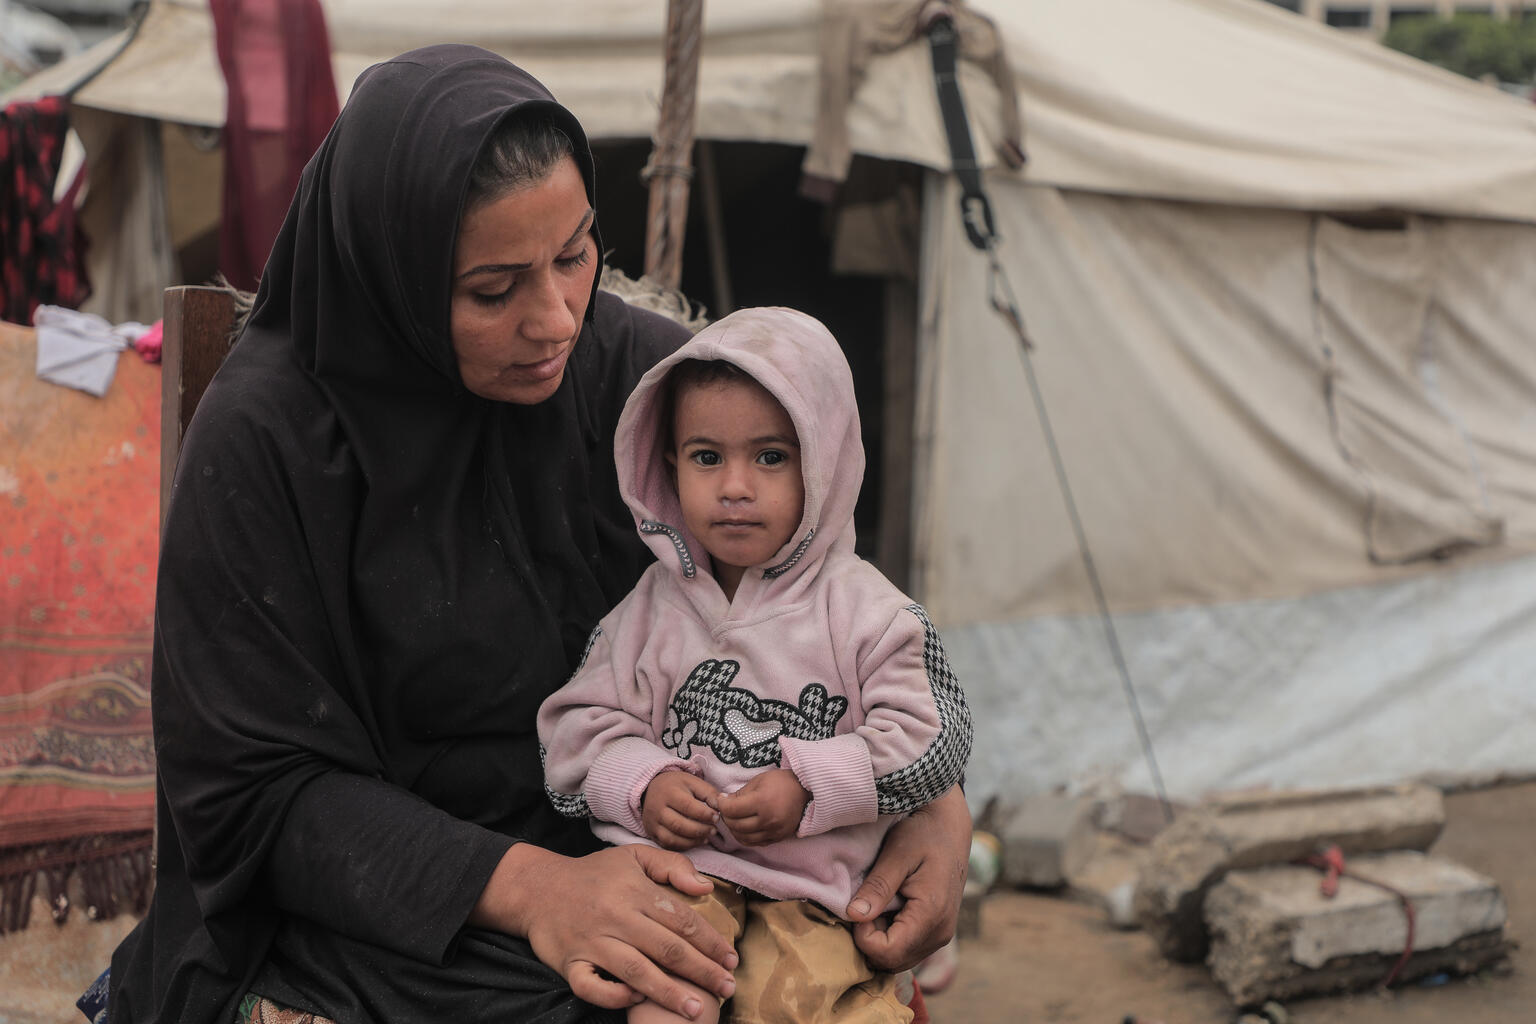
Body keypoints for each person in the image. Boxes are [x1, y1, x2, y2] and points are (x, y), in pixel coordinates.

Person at [103, 44, 972, 1024]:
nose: (556, 318)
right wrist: (539, 892)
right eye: (493, 290)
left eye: (576, 254)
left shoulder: (644, 388)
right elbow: (254, 794)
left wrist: (937, 808)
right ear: (390, 274)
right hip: (379, 913)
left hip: (645, 848)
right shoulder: (267, 441)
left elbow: (821, 601)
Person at [538, 307, 973, 1024]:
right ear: (670, 465)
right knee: (663, 999)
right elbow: (573, 734)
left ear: (823, 463)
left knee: (822, 1010)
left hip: (821, 901)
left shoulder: (868, 614)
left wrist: (809, 788)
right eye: (707, 457)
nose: (735, 486)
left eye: (771, 457)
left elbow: (929, 740)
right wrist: (642, 786)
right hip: (678, 880)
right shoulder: (649, 608)